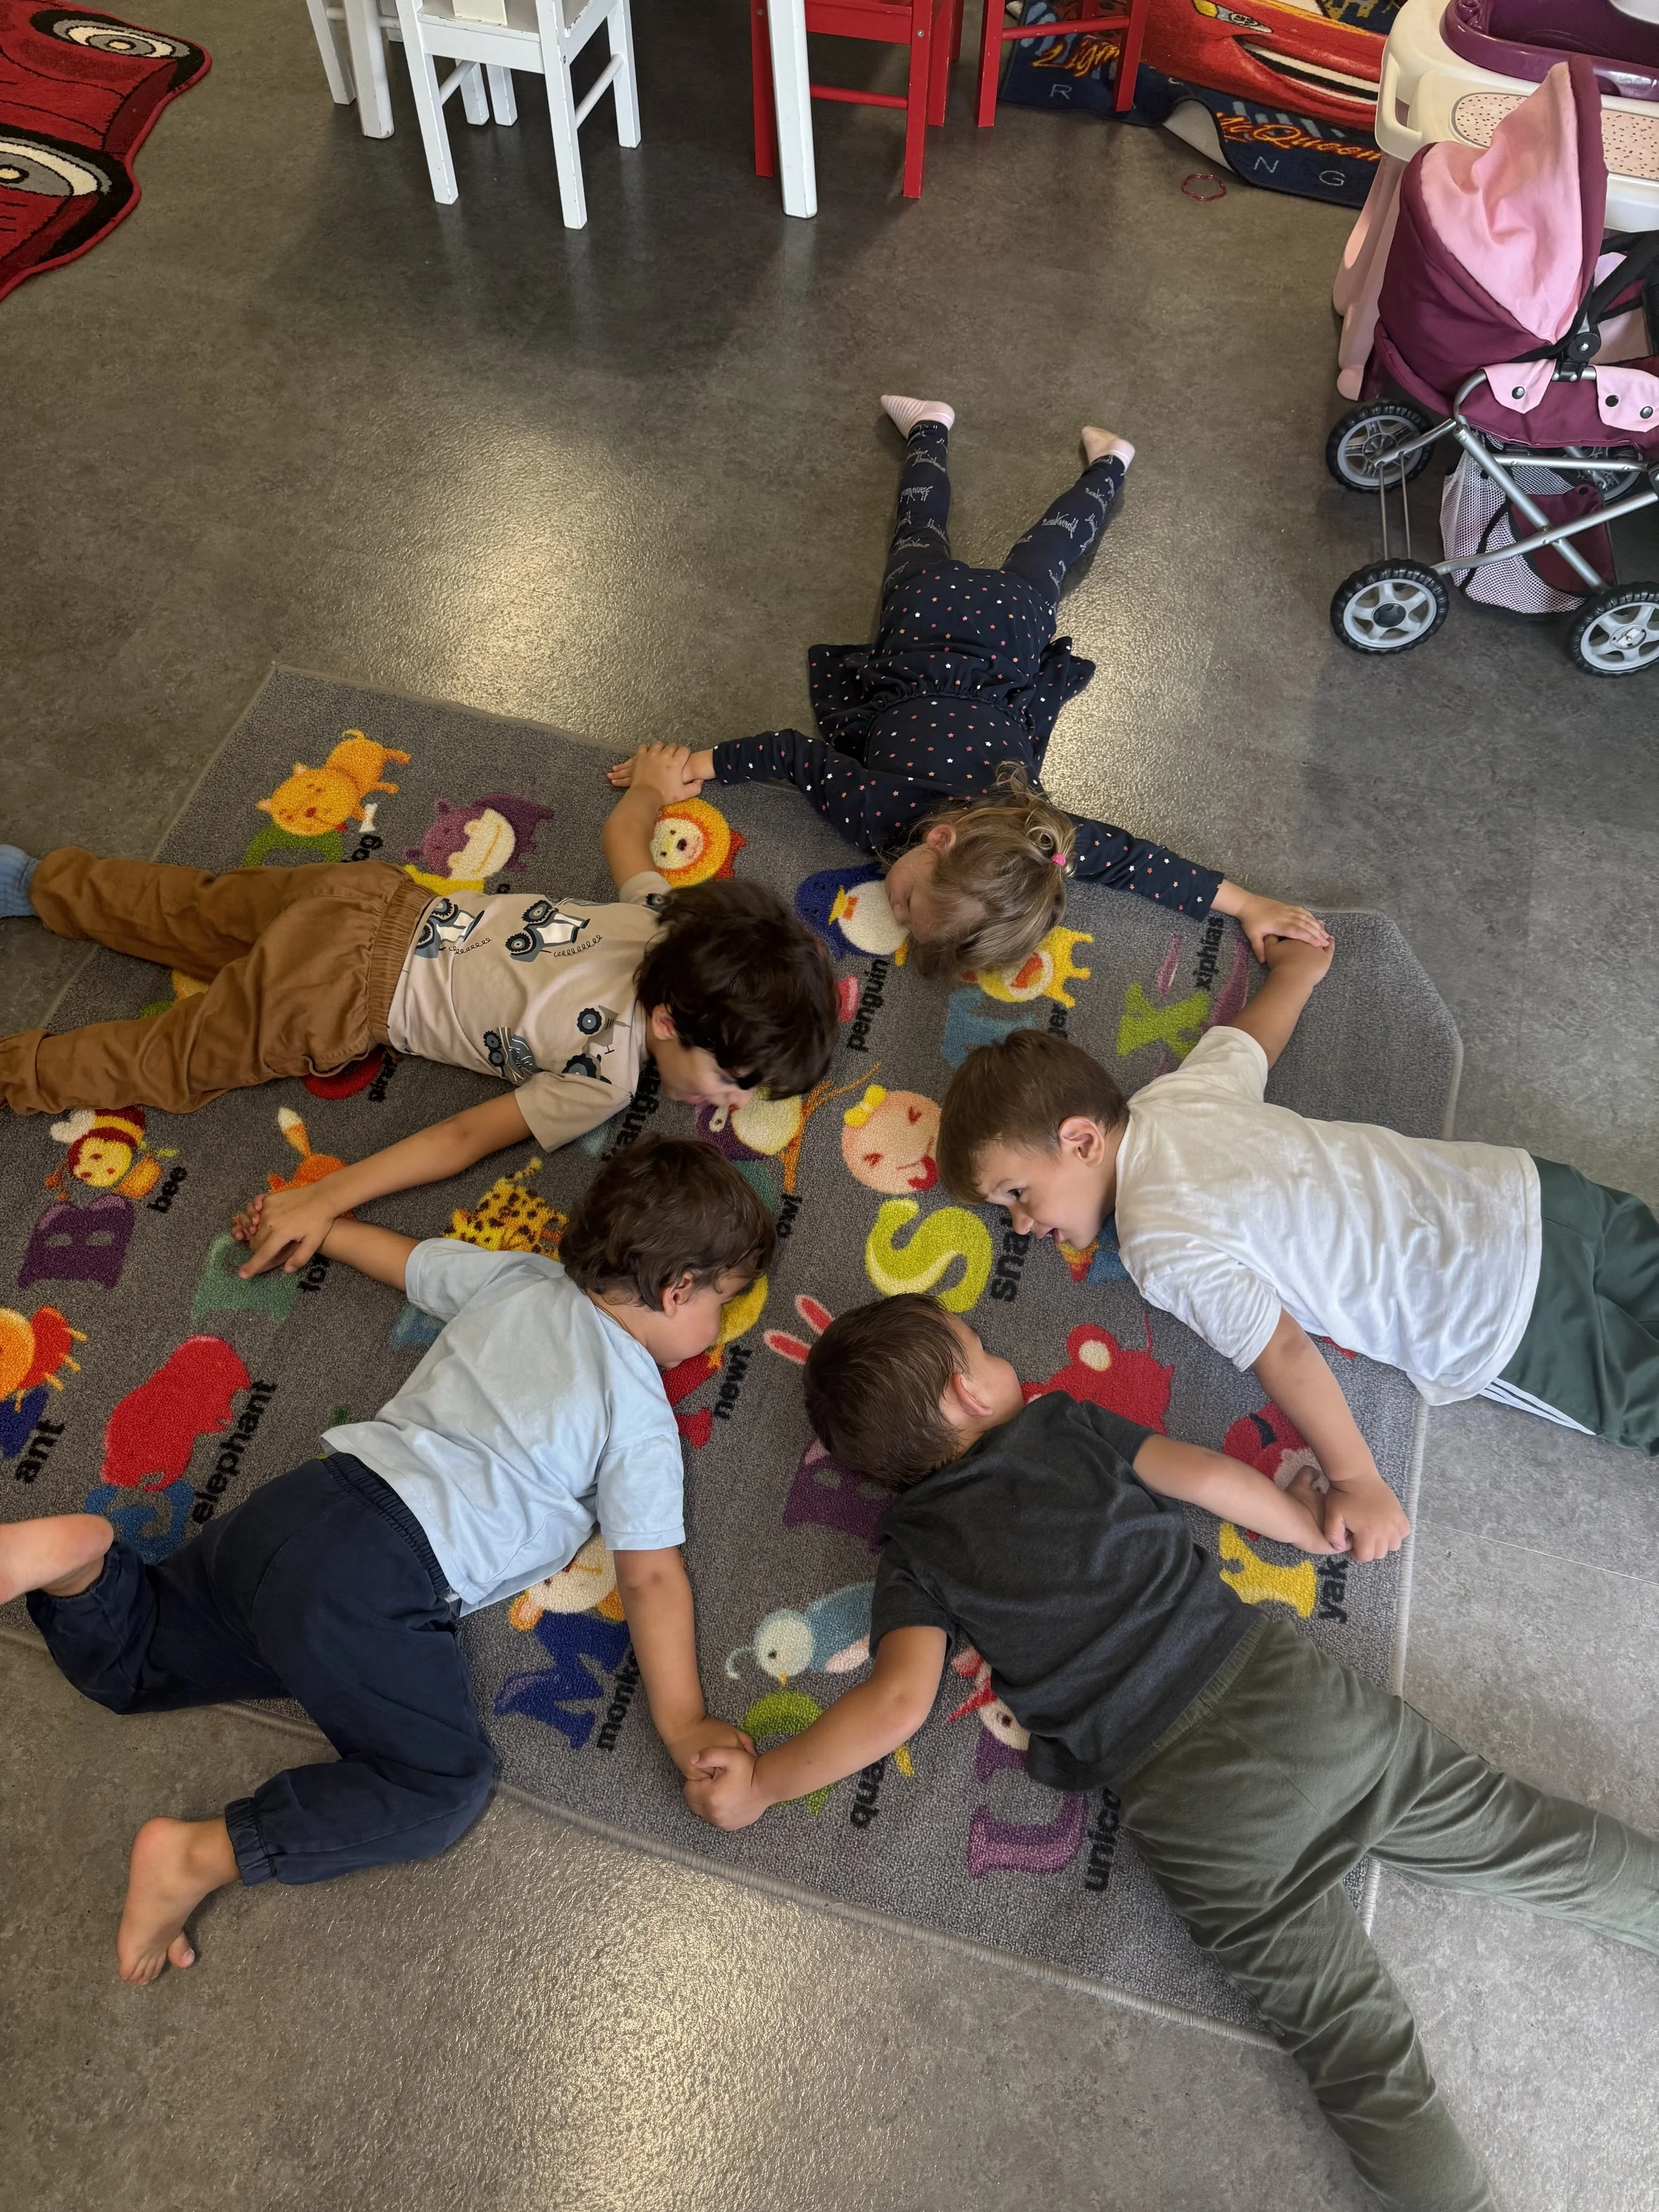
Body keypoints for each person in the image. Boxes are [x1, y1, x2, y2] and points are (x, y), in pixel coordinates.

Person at [684, 1294, 1659, 2212]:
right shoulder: (1062, 1423)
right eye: (980, 1346)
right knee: (1525, 1837)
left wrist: (765, 1781)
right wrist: (1313, 1528)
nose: (998, 1351)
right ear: (967, 1392)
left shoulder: (913, 1554)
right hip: (1286, 1694)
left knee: (1355, 2046)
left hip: (1188, 1801)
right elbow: (1201, 1475)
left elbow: (896, 1704)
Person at [1, 1135, 771, 1985]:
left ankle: (78, 1563)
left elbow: (412, 1268)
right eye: (721, 1307)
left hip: (306, 1504)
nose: (714, 1332)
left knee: (134, 1664)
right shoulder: (639, 1416)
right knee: (443, 1786)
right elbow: (650, 1574)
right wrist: (684, 1722)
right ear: (676, 1291)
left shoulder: (524, 1281)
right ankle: (200, 1855)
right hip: (381, 1580)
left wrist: (321, 1225)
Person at [0, 747, 838, 1280]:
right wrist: (326, 1197)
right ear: (666, 1025)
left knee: (187, 907)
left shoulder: (664, 923)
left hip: (365, 901)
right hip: (337, 999)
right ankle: (18, 1070)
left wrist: (651, 789)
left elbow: (625, 837)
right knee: (168, 1062)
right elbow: (458, 1140)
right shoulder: (605, 1077)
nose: (732, 1104)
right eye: (733, 1081)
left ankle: (34, 882)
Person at [935, 936, 1659, 1542]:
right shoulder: (1172, 1102)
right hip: (1517, 1193)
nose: (1024, 1228)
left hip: (1489, 1313)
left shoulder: (1157, 1244)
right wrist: (1297, 972)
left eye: (1017, 1195)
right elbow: (1248, 1045)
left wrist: (1357, 1480)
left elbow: (1282, 1348)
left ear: (1083, 1140)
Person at [607, 396, 1329, 975]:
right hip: (921, 624)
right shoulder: (877, 808)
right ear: (939, 839)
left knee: (1039, 550)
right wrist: (692, 769)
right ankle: (946, 429)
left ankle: (1076, 458)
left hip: (1008, 643)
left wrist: (1245, 904)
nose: (892, 904)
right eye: (908, 896)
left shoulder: (1040, 838)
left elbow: (1135, 863)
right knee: (924, 532)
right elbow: (792, 757)